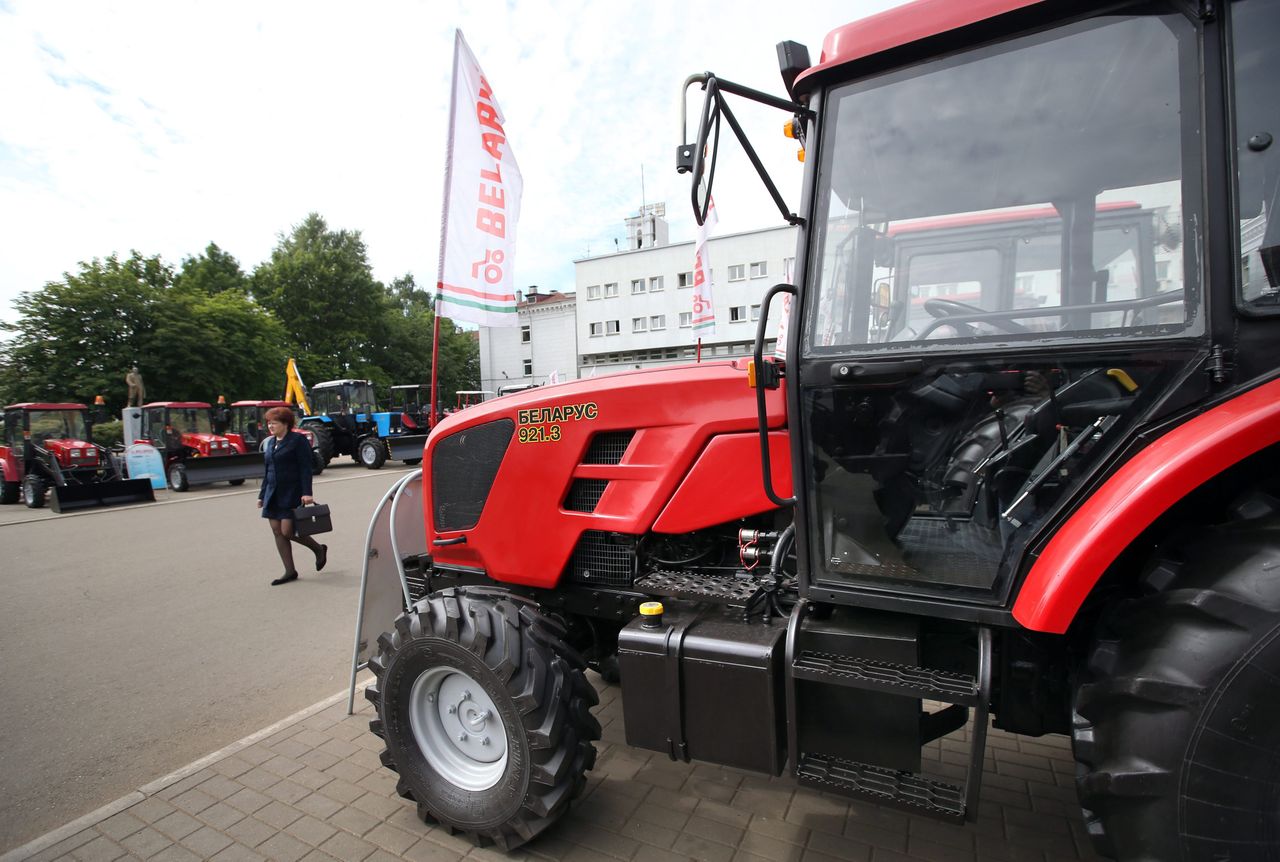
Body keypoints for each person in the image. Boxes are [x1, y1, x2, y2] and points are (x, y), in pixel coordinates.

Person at [258, 406, 327, 585]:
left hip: (292, 491)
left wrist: (307, 493)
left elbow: (305, 468)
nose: (270, 426)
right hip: (272, 492)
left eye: (274, 423)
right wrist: (262, 494)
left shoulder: (298, 440)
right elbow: (268, 470)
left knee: (287, 531)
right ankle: (289, 571)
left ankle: (318, 549)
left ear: (286, 424)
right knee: (276, 531)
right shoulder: (271, 442)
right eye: (269, 423)